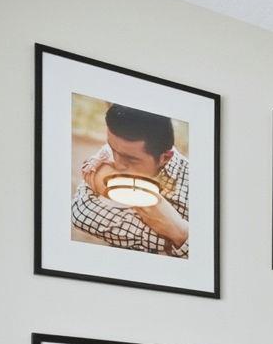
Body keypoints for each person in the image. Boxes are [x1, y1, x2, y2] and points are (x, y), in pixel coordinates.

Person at [71, 104, 191, 256]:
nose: (118, 164)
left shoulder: (195, 186)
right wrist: (178, 234)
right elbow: (80, 212)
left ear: (165, 158)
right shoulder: (115, 152)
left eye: (131, 160)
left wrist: (181, 234)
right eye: (112, 149)